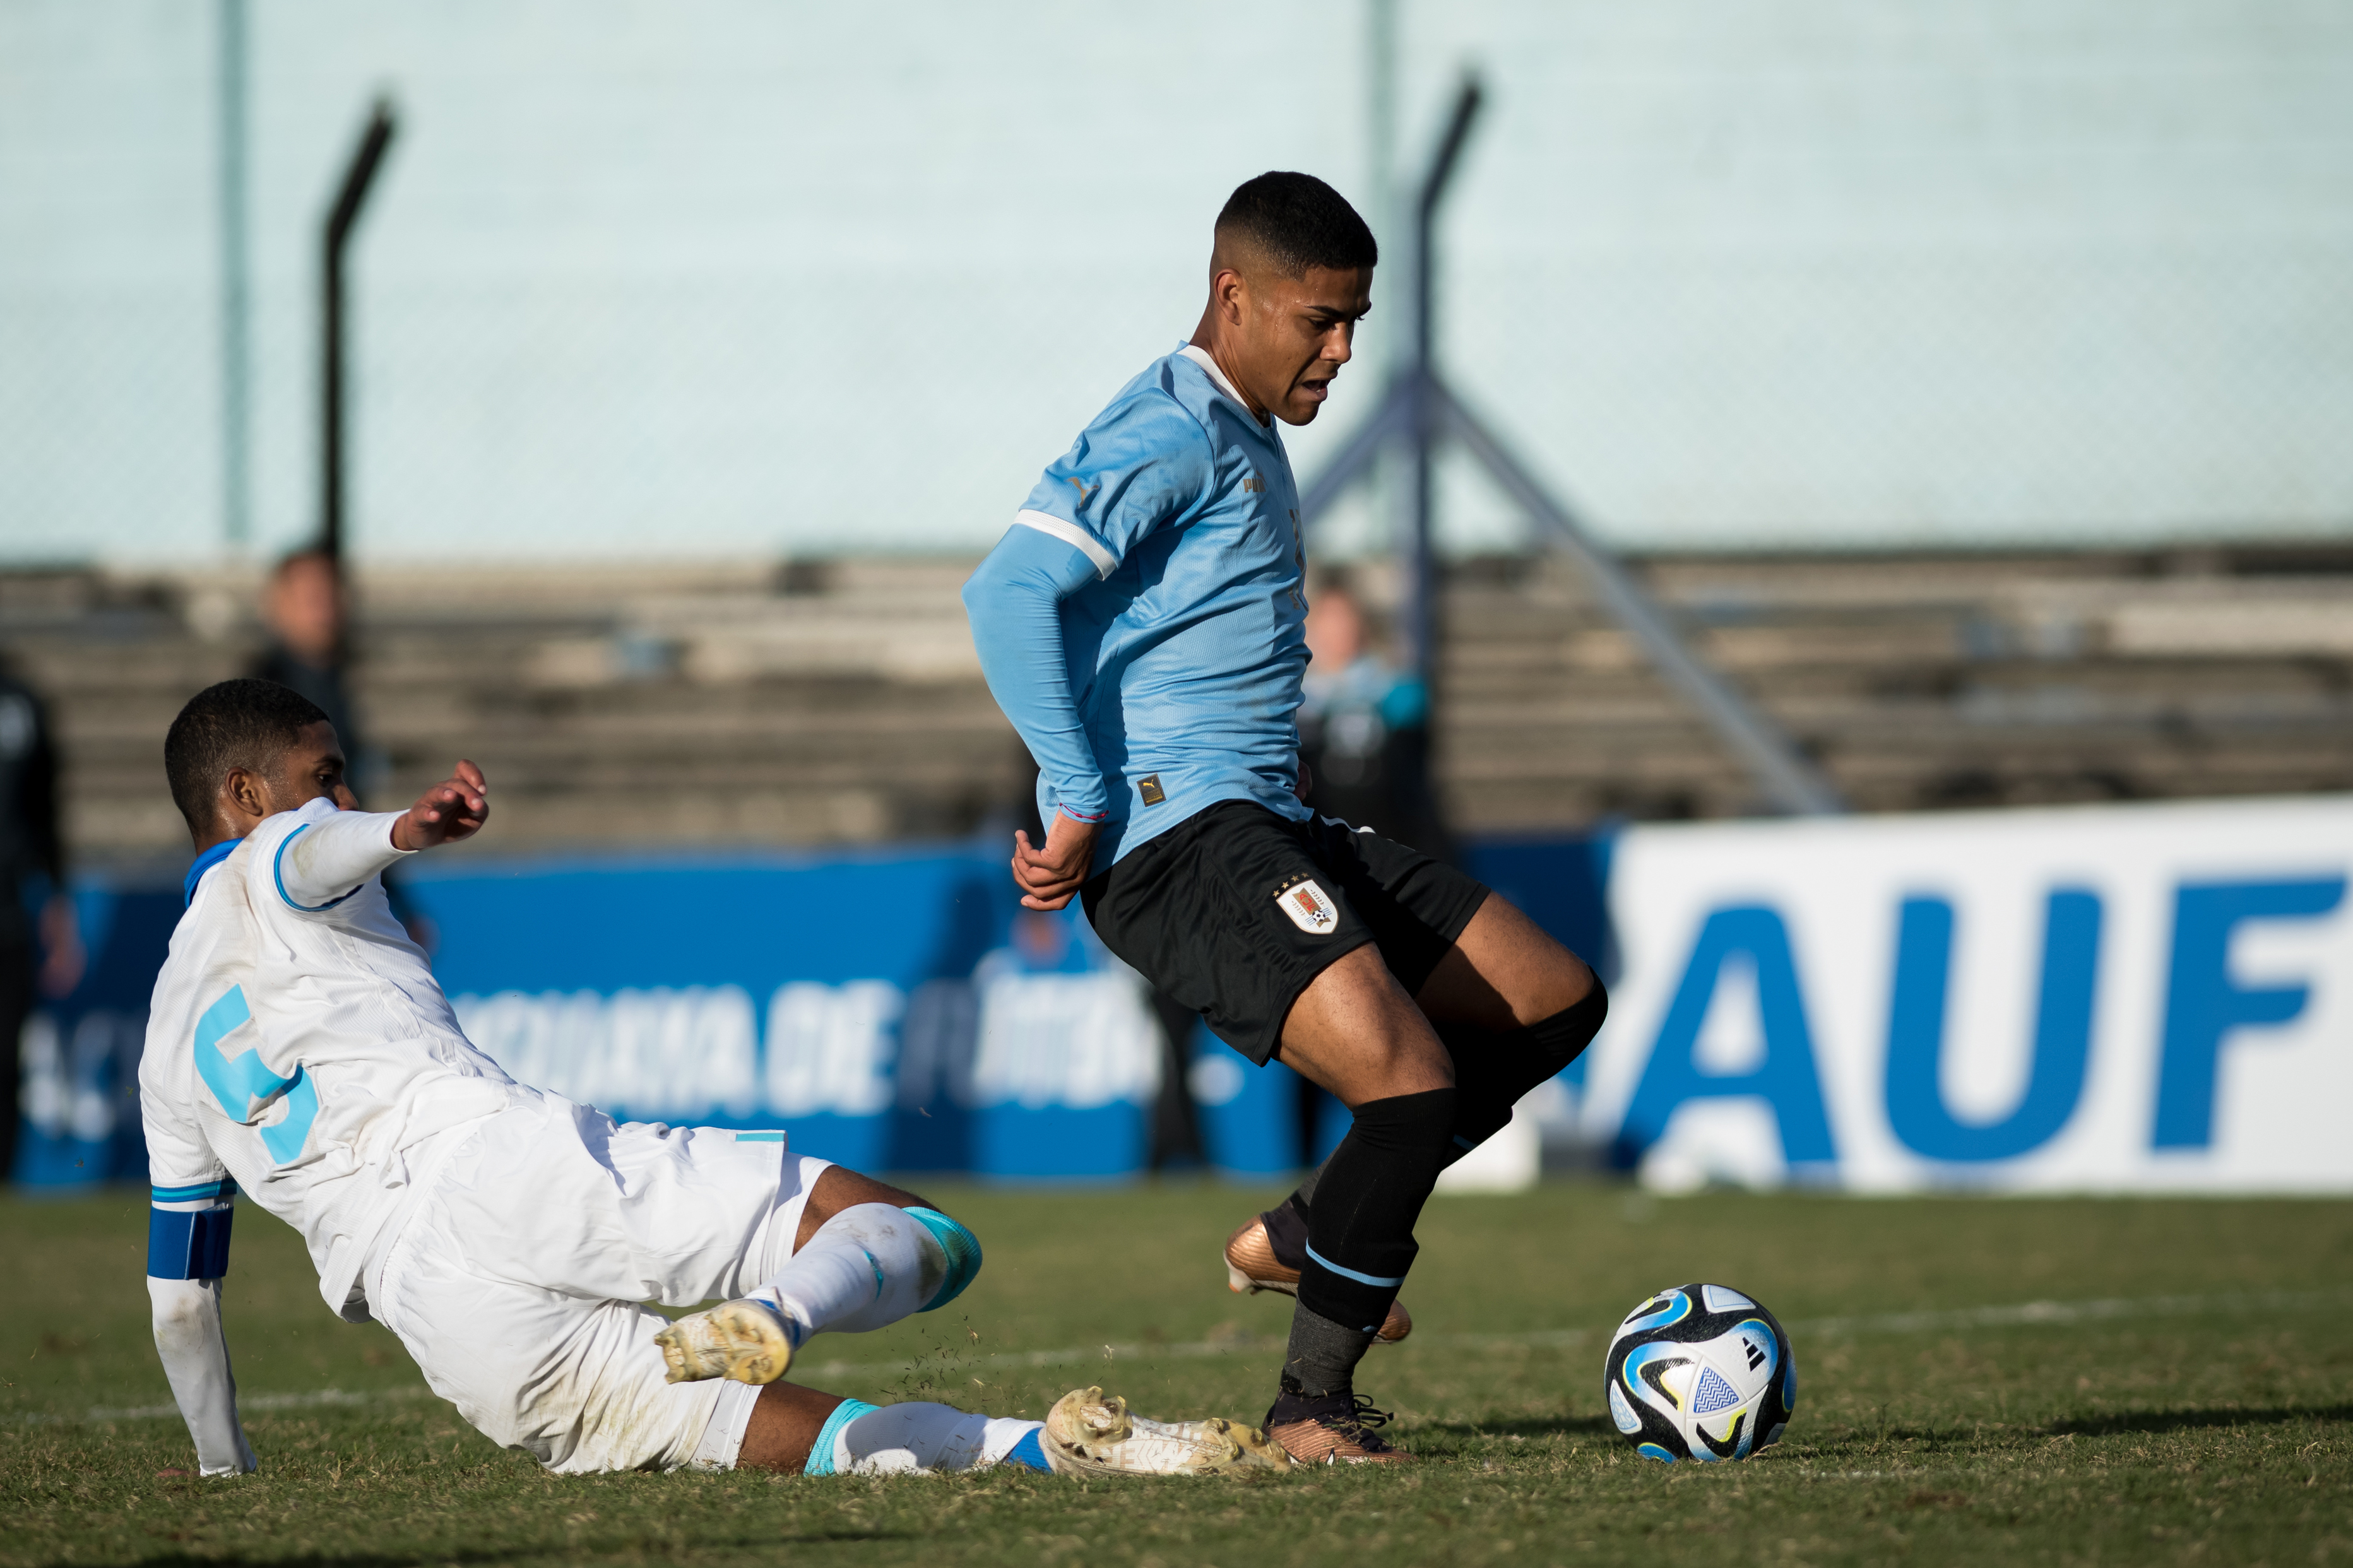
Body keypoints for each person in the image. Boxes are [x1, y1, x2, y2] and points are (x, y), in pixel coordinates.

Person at [142, 679, 1289, 1481]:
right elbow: (306, 852)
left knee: (777, 1434)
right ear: (246, 794)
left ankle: (1049, 1452)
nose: (338, 798)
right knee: (926, 1234)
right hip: (500, 1169)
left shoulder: (164, 1049)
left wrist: (224, 1468)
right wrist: (403, 827)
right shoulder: (276, 854)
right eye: (324, 776)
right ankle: (783, 1310)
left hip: (439, 1319)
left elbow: (182, 1301)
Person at [961, 172, 1607, 1463]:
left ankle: (1313, 1231)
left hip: (1267, 820)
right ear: (1234, 297)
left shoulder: (1245, 431)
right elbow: (1008, 591)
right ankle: (1311, 1407)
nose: (1343, 349)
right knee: (1409, 1085)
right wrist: (1078, 791)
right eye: (1320, 319)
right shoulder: (1168, 425)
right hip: (1179, 840)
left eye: (1356, 320)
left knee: (1550, 1001)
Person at [0, 661, 84, 1184]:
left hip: (9, 914)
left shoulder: (20, 702)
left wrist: (56, 905)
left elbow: (43, 812)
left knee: (5, 1059)